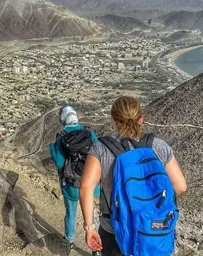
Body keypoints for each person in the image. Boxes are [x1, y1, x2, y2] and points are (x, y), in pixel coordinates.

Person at [79, 96, 187, 256]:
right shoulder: (159, 146)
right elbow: (180, 187)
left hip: (114, 229)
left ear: (114, 120)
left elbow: (86, 188)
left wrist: (90, 228)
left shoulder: (101, 148)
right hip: (152, 229)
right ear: (141, 119)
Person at [49, 106, 100, 252]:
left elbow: (59, 163)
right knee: (90, 213)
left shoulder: (62, 136)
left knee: (71, 213)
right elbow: (98, 154)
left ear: (63, 119)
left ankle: (69, 239)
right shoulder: (89, 133)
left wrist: (52, 148)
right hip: (90, 184)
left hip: (71, 186)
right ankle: (96, 248)